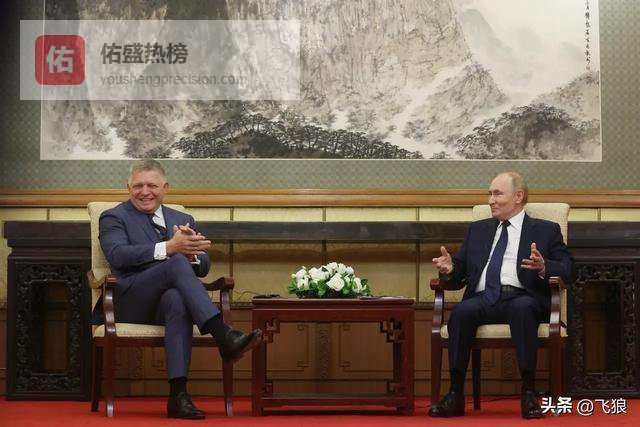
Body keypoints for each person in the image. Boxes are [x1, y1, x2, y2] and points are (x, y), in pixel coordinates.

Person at [96, 159, 262, 419]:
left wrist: (191, 256)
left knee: (177, 299)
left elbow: (204, 265)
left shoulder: (183, 219)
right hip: (129, 300)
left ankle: (178, 395)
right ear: (128, 188)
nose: (145, 191)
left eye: (152, 185)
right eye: (138, 186)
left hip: (163, 305)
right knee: (174, 262)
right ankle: (222, 333)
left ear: (165, 188)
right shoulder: (114, 217)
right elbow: (118, 255)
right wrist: (170, 248)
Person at [429, 171, 574, 419]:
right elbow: (460, 270)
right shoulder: (478, 229)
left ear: (518, 196)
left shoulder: (546, 230)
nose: (491, 200)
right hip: (483, 298)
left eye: (497, 194)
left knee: (522, 308)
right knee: (462, 312)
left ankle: (528, 393)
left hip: (523, 297)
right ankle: (455, 394)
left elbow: (569, 269)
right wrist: (450, 268)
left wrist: (544, 266)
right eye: (490, 194)